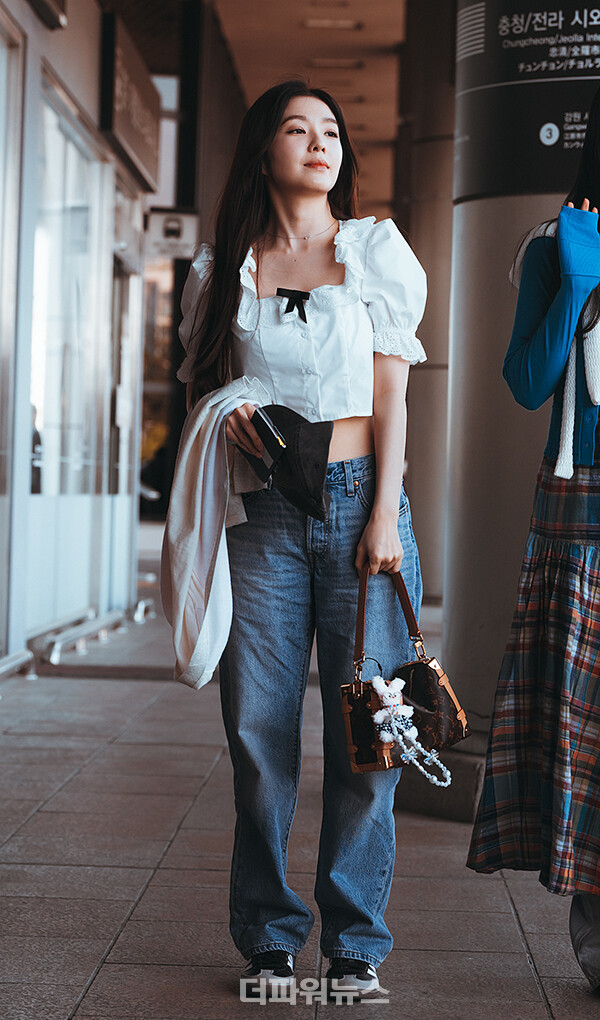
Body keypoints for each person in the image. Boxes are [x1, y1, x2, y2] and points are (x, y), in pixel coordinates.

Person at [175, 80, 427, 1000]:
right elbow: (203, 383)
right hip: (263, 513)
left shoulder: (373, 252)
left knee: (370, 734)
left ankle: (355, 942)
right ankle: (270, 936)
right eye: (296, 127)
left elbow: (394, 393)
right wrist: (231, 412)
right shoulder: (222, 268)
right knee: (257, 733)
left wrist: (384, 512)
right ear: (264, 148)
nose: (318, 142)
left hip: (365, 500)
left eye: (330, 129)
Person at [467, 86, 600, 990]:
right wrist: (581, 281)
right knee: (586, 734)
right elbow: (525, 380)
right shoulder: (557, 247)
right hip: (582, 513)